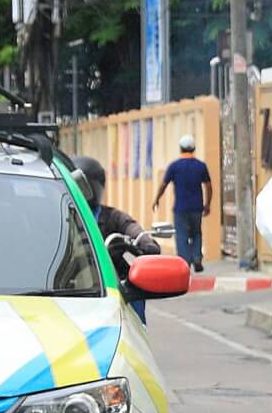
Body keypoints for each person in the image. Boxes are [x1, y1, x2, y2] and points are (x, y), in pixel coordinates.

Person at [76, 156, 159, 322]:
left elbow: (133, 229)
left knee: (133, 293)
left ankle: (137, 325)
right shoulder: (64, 216)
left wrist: (142, 244)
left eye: (84, 186)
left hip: (111, 283)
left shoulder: (113, 217)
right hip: (73, 284)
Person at [153, 134, 211, 272]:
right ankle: (197, 258)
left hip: (181, 208)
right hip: (197, 207)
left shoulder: (174, 167)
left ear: (180, 149)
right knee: (197, 233)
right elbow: (208, 186)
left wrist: (157, 199)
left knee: (182, 235)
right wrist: (208, 204)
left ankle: (184, 262)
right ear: (194, 148)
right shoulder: (200, 166)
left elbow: (164, 184)